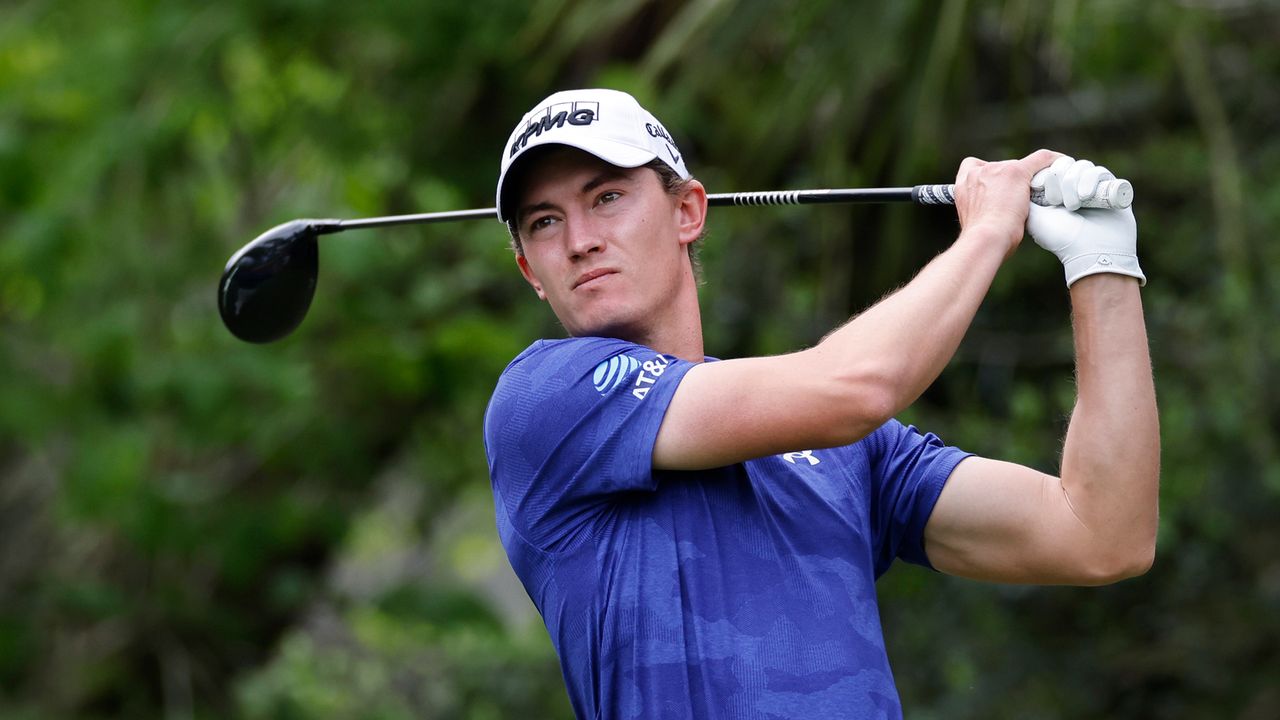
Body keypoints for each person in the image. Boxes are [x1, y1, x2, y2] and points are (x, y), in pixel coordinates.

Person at [482, 88, 1159, 719]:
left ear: (687, 210)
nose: (579, 240)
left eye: (606, 198)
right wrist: (986, 232)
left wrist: (1103, 268)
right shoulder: (544, 401)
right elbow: (857, 387)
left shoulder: (849, 449)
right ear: (529, 272)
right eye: (545, 221)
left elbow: (1101, 534)